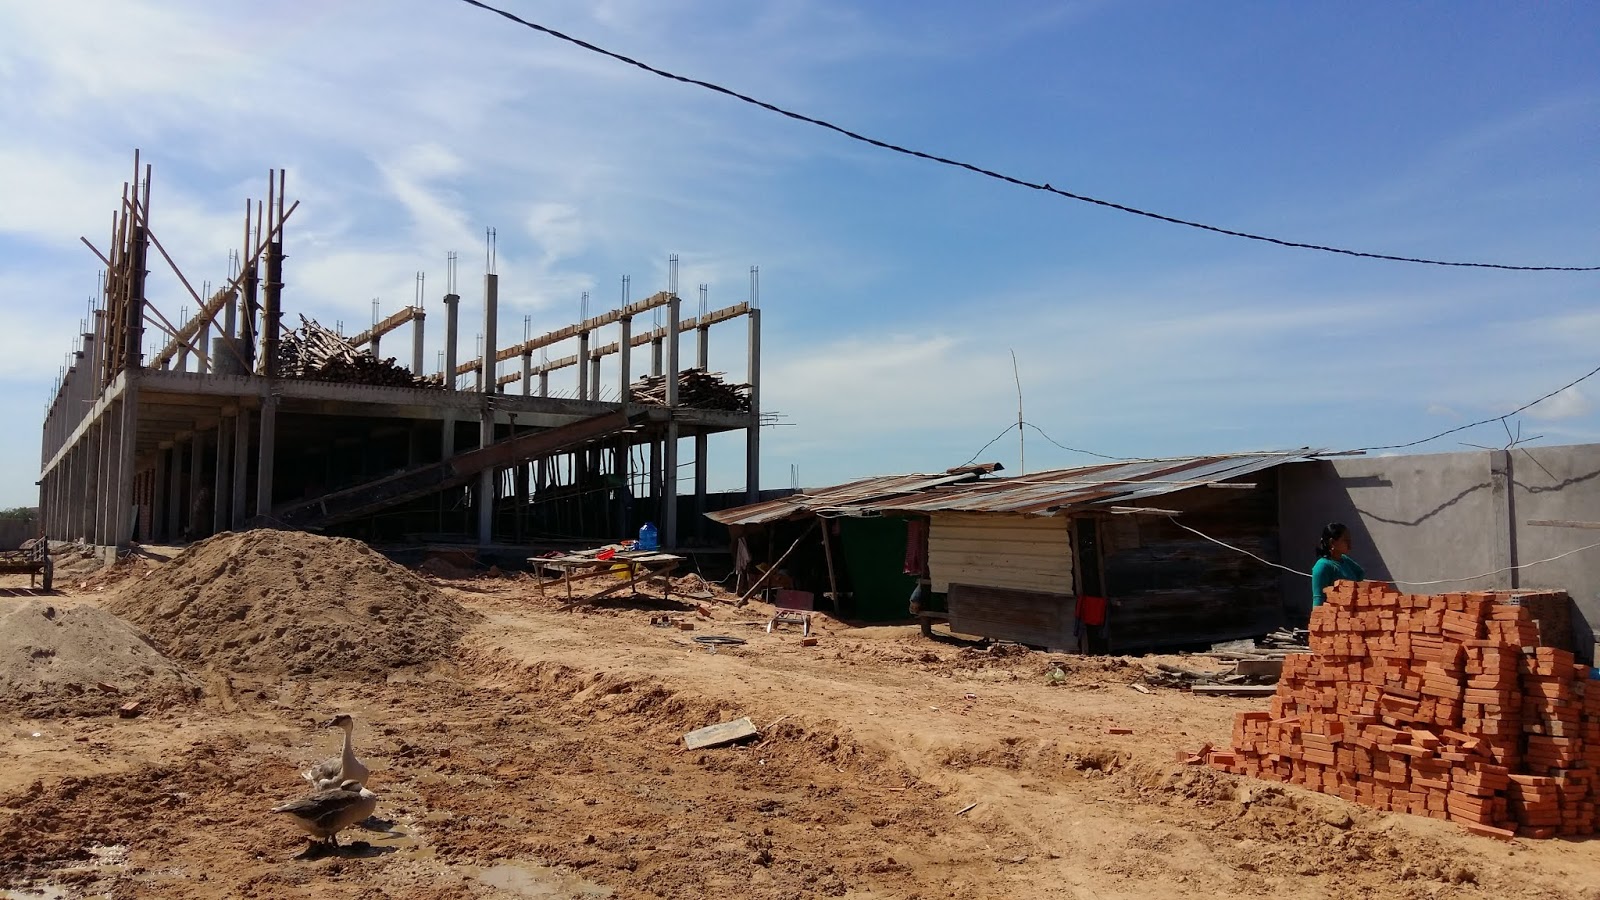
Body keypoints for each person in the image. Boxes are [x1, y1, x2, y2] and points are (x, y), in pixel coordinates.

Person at [1311, 522, 1365, 607]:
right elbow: (1318, 600)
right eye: (1345, 540)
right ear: (1332, 542)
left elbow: (1360, 573)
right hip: (1334, 613)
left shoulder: (1344, 559)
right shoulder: (1322, 566)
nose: (1350, 545)